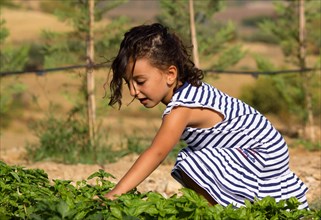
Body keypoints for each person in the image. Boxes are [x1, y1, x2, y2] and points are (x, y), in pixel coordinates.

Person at [104, 23, 309, 209]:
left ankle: (221, 212)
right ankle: (224, 208)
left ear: (170, 74)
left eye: (140, 81)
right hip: (266, 148)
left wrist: (115, 194)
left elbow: (156, 153)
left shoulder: (181, 108)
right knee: (194, 161)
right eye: (128, 82)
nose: (133, 91)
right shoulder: (188, 91)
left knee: (190, 164)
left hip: (260, 151)